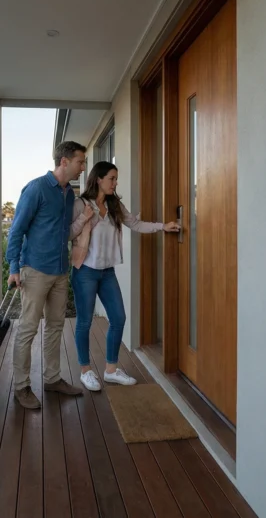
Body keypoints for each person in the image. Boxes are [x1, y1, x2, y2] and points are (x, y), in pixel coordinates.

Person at [69, 161, 180, 391]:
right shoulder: (81, 204)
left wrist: (162, 226)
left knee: (118, 318)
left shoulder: (115, 205)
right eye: (112, 178)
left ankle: (110, 370)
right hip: (85, 272)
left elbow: (135, 224)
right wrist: (84, 219)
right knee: (84, 322)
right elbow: (69, 233)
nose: (115, 182)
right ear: (98, 179)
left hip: (107, 272)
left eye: (116, 178)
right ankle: (86, 371)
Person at [6, 141, 88, 410]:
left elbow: (64, 231)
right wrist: (13, 268)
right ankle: (21, 386)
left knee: (55, 327)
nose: (83, 167)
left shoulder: (68, 195)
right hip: (35, 270)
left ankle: (52, 379)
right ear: (64, 162)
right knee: (28, 329)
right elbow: (16, 230)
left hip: (60, 271)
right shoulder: (37, 188)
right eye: (80, 162)